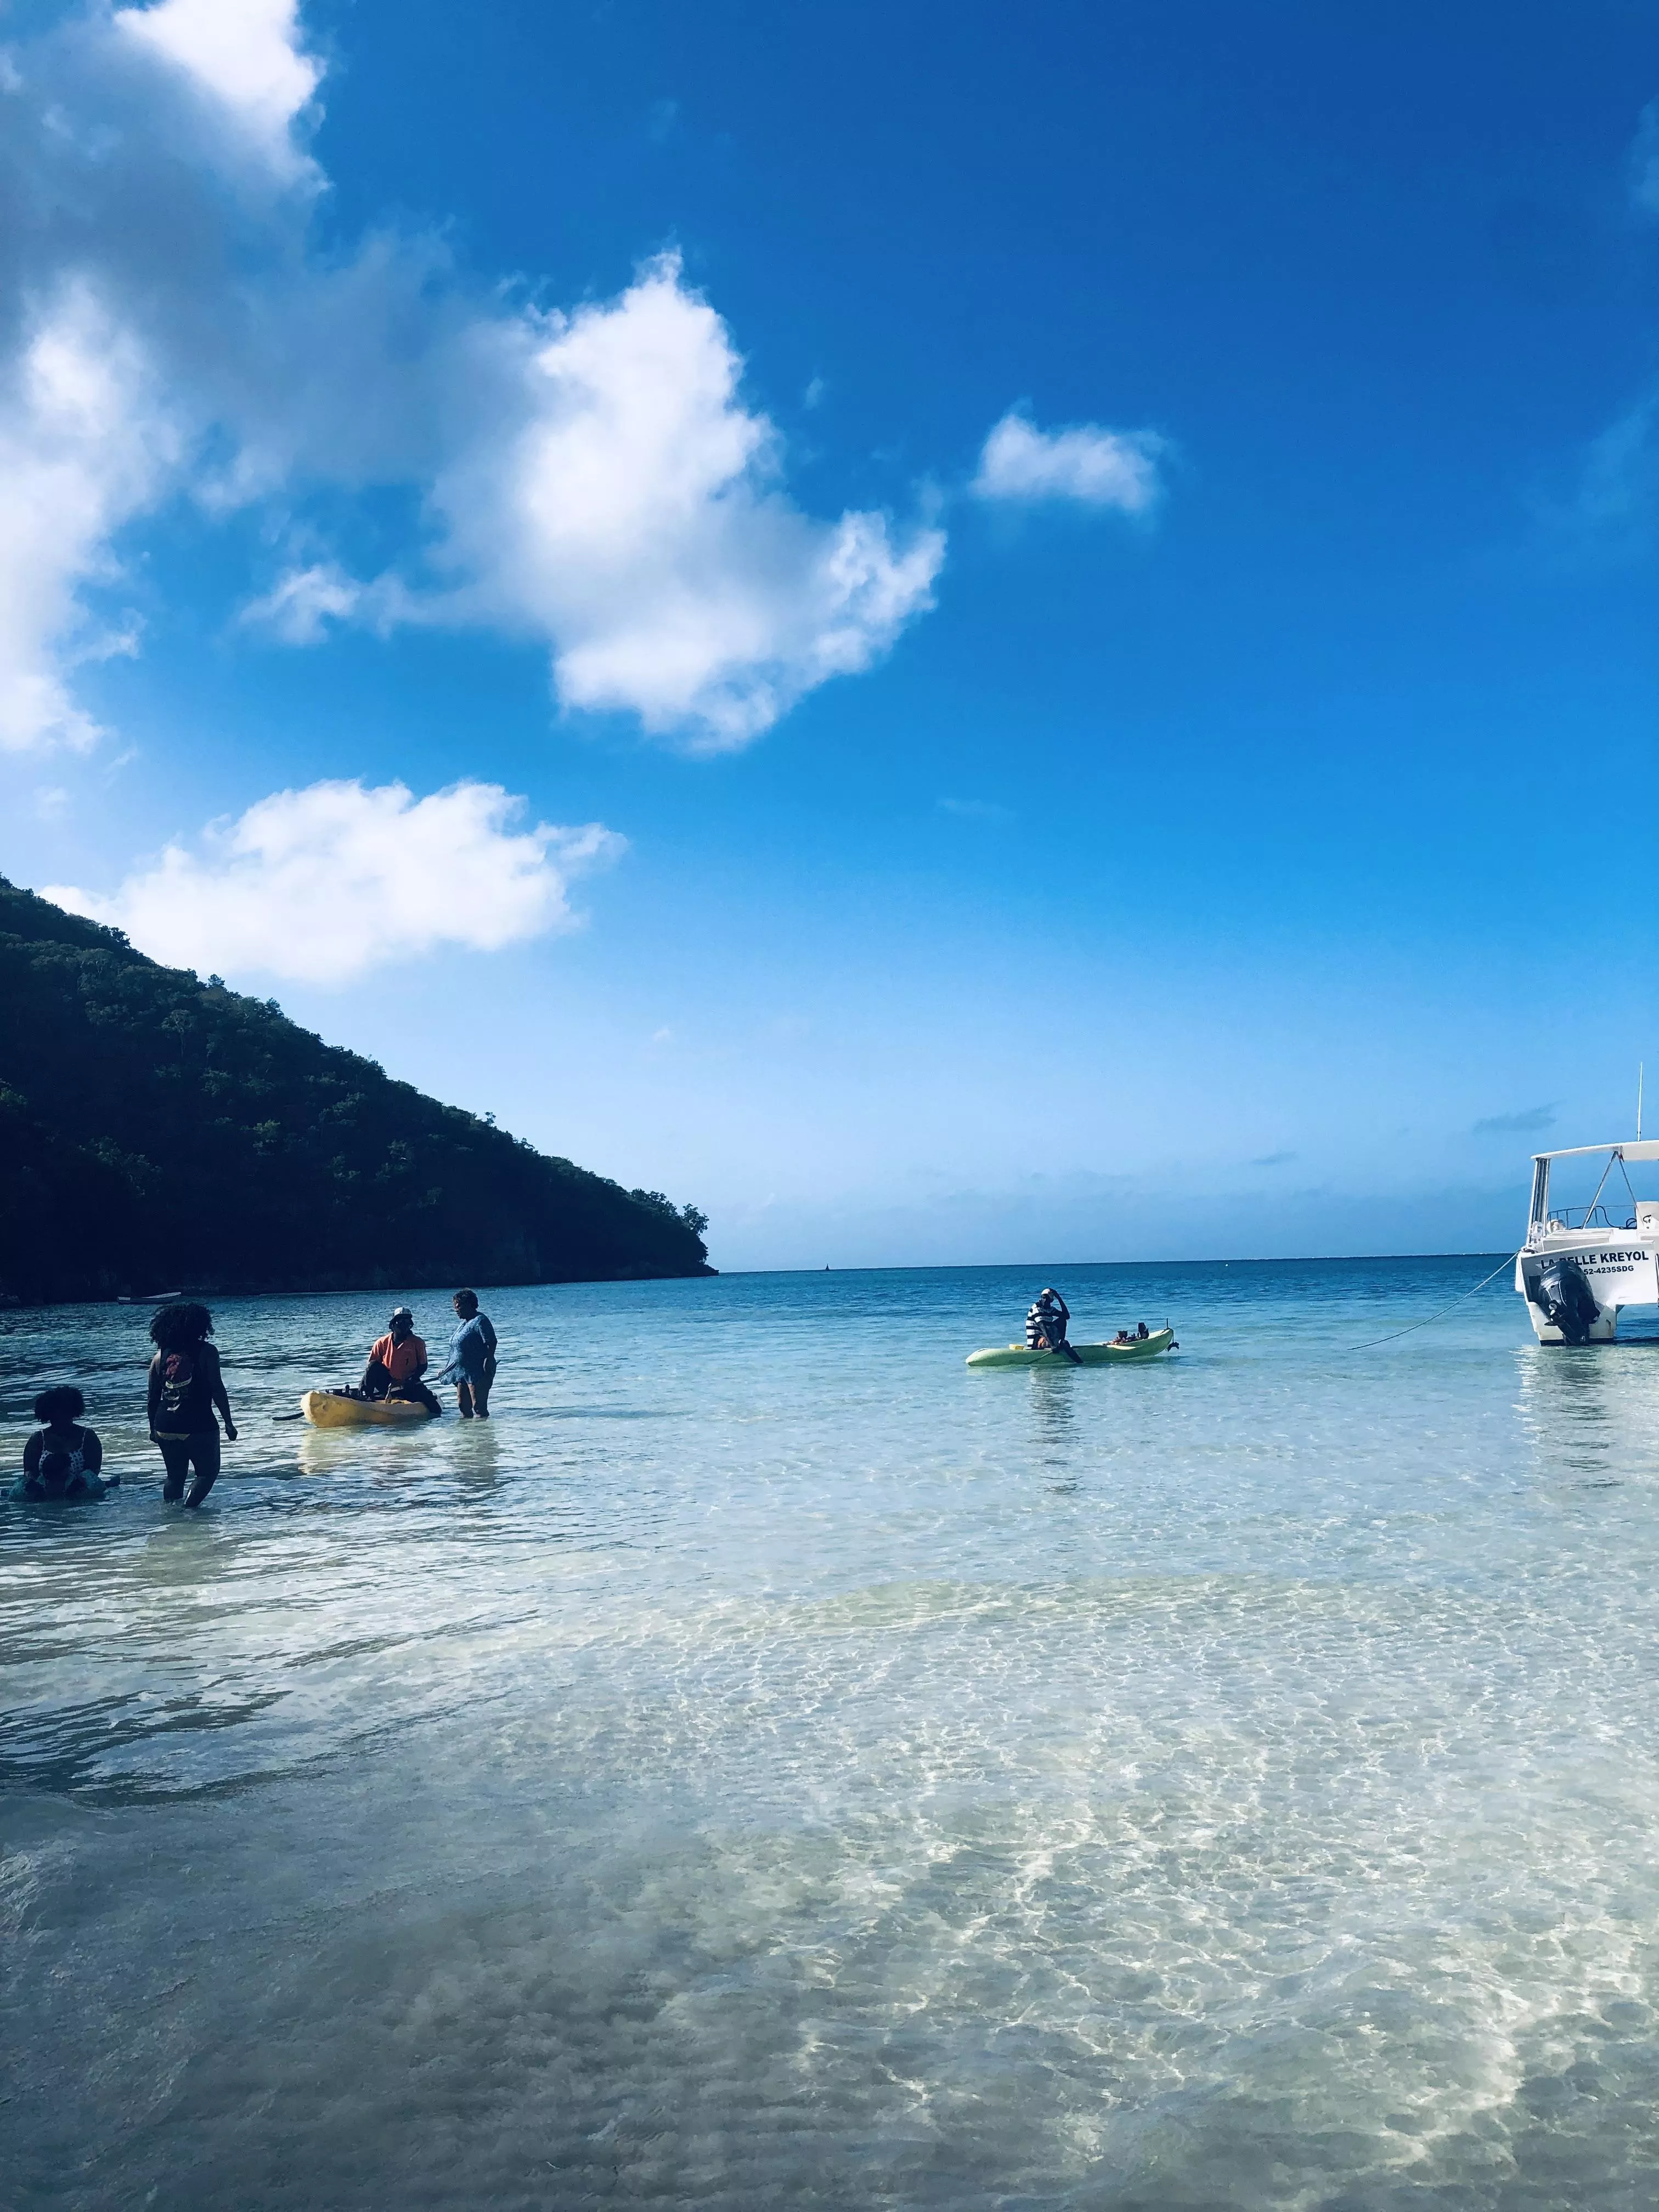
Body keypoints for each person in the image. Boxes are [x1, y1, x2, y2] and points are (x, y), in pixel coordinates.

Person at [148, 1302, 236, 1506]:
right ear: (200, 1326)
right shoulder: (207, 1352)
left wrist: (152, 1428)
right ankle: (189, 1513)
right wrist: (229, 1423)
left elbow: (152, 1398)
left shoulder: (159, 1357)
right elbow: (217, 1389)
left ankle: (171, 1516)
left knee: (174, 1477)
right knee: (207, 1473)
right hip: (198, 1423)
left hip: (165, 1424)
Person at [12, 1386, 111, 1500]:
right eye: (56, 1417)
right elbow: (29, 1471)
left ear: (73, 1413)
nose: (61, 1420)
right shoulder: (38, 1440)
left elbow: (94, 1470)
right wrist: (38, 1487)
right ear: (49, 1416)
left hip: (80, 1489)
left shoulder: (88, 1437)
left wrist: (78, 1485)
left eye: (65, 1415)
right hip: (43, 1490)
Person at [360, 1307, 441, 1416]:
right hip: (386, 1383)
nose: (404, 1324)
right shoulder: (381, 1343)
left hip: (409, 1383)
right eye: (401, 1321)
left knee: (436, 1409)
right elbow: (371, 1368)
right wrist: (363, 1385)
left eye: (407, 1321)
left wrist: (412, 1380)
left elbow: (423, 1366)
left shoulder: (418, 1342)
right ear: (393, 1324)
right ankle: (368, 1397)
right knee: (374, 1365)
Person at [438, 1290, 498, 1418]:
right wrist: (446, 1370)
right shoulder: (463, 1324)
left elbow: (491, 1342)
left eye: (458, 1306)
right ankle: (467, 1437)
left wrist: (487, 1363)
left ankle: (484, 1437)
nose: (456, 1309)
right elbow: (456, 1351)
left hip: (477, 1371)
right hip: (461, 1373)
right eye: (455, 1306)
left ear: (469, 1304)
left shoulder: (480, 1320)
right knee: (463, 1407)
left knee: (479, 1407)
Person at [1026, 1288, 1081, 1364]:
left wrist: (1059, 1298)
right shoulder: (1037, 1308)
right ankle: (1080, 1363)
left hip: (1047, 1338)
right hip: (1036, 1342)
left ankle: (1061, 1343)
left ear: (1051, 1301)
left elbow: (1066, 1316)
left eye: (1047, 1299)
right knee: (1064, 1343)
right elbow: (1043, 1328)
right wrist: (1052, 1346)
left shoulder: (1050, 1309)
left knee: (1062, 1320)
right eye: (1043, 1298)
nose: (1045, 1300)